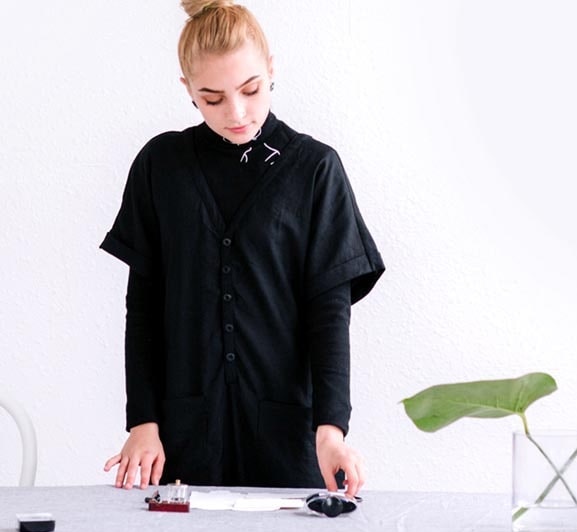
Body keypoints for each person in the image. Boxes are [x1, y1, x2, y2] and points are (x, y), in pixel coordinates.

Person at [100, 0, 384, 498]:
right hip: (184, 440)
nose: (236, 113)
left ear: (271, 69)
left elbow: (329, 313)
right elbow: (142, 307)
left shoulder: (314, 171)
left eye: (250, 90)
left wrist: (331, 432)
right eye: (212, 99)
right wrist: (142, 422)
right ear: (188, 90)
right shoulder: (161, 166)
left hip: (289, 439)